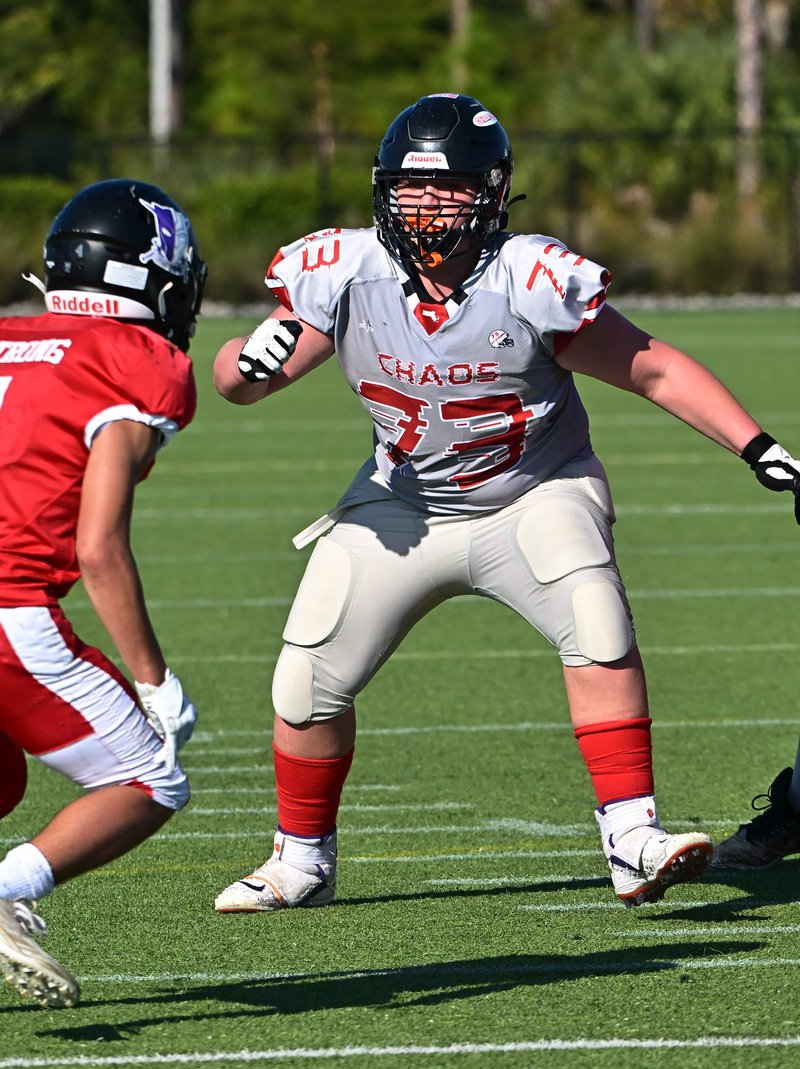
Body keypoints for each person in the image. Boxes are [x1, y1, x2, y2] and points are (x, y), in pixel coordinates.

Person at [212, 92, 800, 915]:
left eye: (451, 187)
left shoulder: (527, 277)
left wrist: (759, 447)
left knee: (596, 624)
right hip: (401, 503)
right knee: (305, 678)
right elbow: (239, 385)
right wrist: (245, 359)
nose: (429, 205)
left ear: (492, 192)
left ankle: (632, 838)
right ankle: (300, 860)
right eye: (413, 187)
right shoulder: (345, 271)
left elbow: (652, 367)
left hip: (534, 492)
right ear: (383, 189)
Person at [0, 178, 206, 1007]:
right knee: (150, 779)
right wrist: (153, 677)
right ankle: (9, 888)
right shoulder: (135, 362)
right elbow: (99, 545)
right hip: (11, 606)